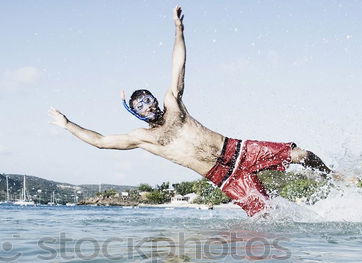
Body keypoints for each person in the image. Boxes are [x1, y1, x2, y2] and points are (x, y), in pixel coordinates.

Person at [49, 6, 333, 217]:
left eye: (148, 99)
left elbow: (178, 65)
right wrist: (67, 124)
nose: (148, 105)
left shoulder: (173, 103)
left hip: (238, 150)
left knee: (302, 155)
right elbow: (100, 141)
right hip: (224, 177)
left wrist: (178, 30)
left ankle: (332, 177)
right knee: (266, 217)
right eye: (140, 106)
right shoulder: (141, 137)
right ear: (136, 113)